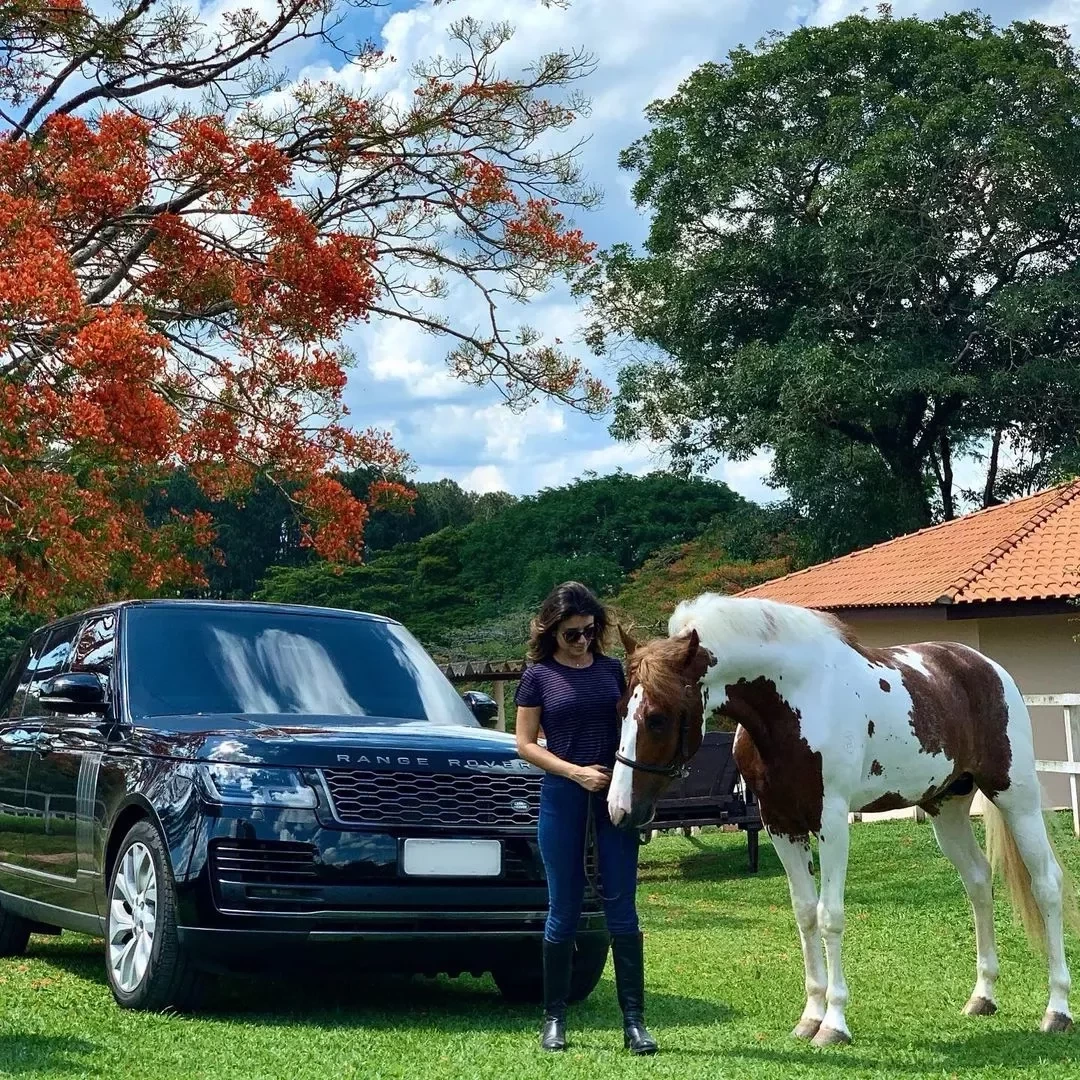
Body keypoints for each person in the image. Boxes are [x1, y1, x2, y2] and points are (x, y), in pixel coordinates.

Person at [514, 581, 657, 1055]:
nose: (580, 641)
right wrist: (576, 772)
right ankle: (554, 1018)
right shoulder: (537, 676)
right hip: (564, 792)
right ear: (552, 630)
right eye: (571, 633)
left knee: (622, 903)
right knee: (565, 905)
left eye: (588, 631)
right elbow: (526, 745)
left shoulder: (612, 671)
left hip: (612, 796)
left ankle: (634, 1021)